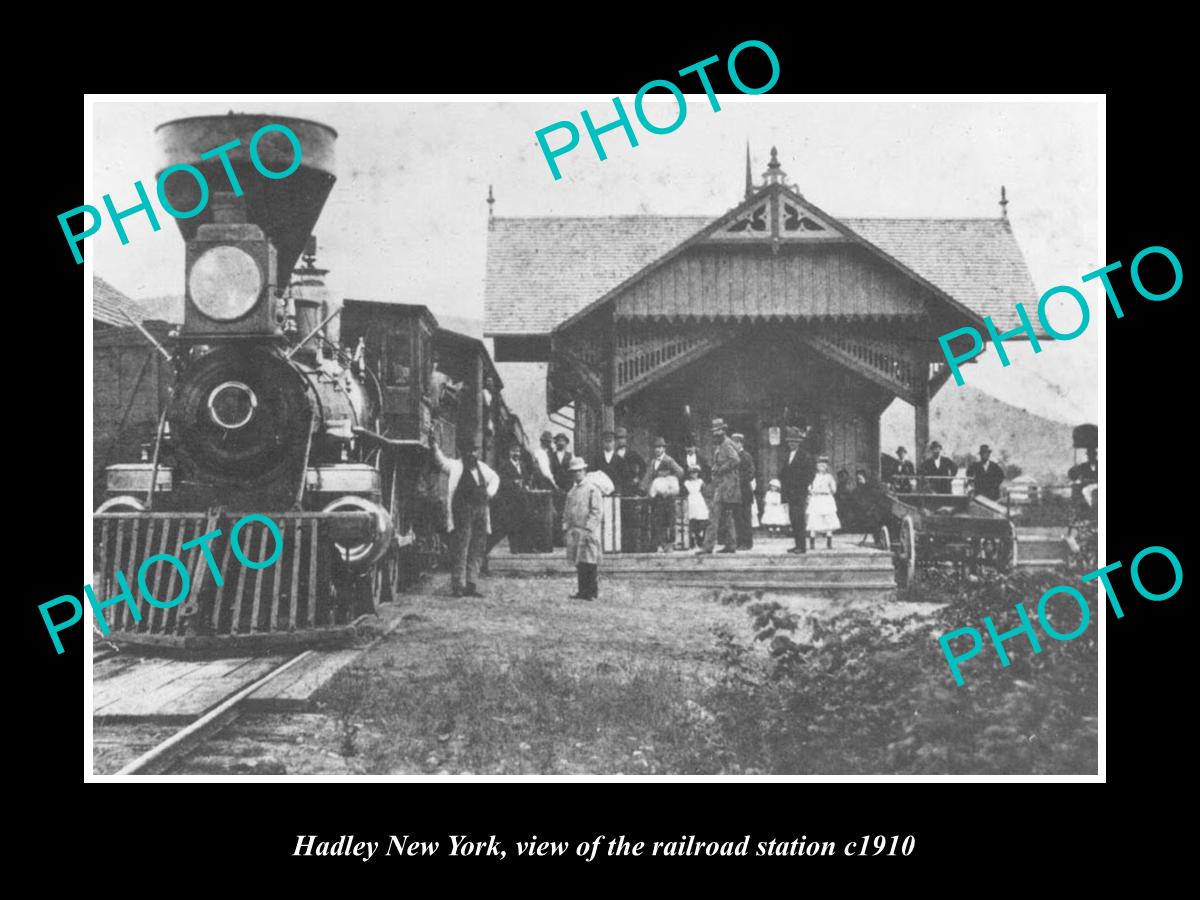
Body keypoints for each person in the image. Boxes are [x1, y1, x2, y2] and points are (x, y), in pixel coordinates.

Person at [429, 433, 499, 597]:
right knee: (461, 548)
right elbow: (440, 461)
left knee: (477, 548)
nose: (473, 454)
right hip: (463, 513)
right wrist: (434, 446)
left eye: (475, 451)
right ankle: (458, 586)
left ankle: (471, 584)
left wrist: (489, 492)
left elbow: (496, 478)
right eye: (469, 451)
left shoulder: (483, 468)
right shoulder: (455, 466)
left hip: (481, 512)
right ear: (463, 453)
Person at [697, 418, 741, 554]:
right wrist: (716, 467)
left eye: (718, 431)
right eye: (714, 431)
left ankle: (708, 547)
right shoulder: (720, 446)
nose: (716, 434)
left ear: (723, 431)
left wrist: (721, 468)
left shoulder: (727, 444)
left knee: (714, 516)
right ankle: (731, 545)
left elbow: (735, 460)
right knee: (726, 517)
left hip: (726, 486)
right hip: (722, 485)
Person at [563, 456, 603, 600]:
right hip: (575, 531)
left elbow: (596, 511)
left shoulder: (592, 489)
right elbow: (567, 511)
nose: (577, 474)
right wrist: (566, 526)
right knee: (579, 561)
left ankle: (592, 592)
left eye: (579, 471)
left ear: (584, 471)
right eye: (574, 471)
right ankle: (582, 591)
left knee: (590, 561)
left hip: (588, 531)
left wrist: (589, 528)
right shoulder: (572, 492)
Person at [643, 436, 684, 551]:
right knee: (658, 519)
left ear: (664, 449)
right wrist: (643, 488)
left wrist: (669, 480)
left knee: (669, 519)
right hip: (658, 496)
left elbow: (680, 472)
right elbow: (648, 476)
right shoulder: (653, 462)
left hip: (668, 496)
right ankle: (659, 544)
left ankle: (670, 543)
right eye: (656, 448)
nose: (658, 450)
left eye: (660, 447)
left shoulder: (669, 460)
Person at [488, 442, 529, 555]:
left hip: (520, 499)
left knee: (517, 523)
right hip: (508, 500)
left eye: (518, 451)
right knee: (507, 524)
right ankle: (508, 547)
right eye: (513, 451)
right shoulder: (504, 466)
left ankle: (515, 548)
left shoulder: (522, 465)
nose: (516, 454)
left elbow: (526, 478)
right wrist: (513, 483)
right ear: (509, 453)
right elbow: (500, 481)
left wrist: (525, 485)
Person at [780, 425, 815, 554]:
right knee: (793, 519)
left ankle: (802, 546)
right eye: (789, 442)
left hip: (799, 493)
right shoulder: (788, 455)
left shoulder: (804, 456)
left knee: (799, 519)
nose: (791, 444)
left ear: (798, 443)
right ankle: (797, 545)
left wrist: (801, 486)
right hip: (789, 492)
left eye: (794, 442)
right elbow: (784, 472)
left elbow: (810, 474)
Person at [807, 456, 841, 550]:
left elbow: (834, 489)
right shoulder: (813, 476)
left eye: (824, 465)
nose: (821, 467)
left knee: (828, 519)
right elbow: (809, 486)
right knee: (814, 519)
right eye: (819, 465)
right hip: (816, 499)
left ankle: (829, 542)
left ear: (826, 466)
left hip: (826, 499)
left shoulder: (829, 477)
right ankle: (812, 542)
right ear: (816, 466)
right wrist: (812, 491)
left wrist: (830, 491)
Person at [730, 433, 756, 550]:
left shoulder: (746, 456)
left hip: (744, 491)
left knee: (745, 518)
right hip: (735, 492)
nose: (733, 445)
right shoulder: (732, 456)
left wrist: (738, 480)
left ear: (740, 443)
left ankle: (747, 543)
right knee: (737, 518)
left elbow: (750, 473)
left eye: (735, 442)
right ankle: (739, 541)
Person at [590, 430, 628, 494]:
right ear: (602, 442)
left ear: (614, 443)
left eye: (610, 441)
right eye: (606, 441)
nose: (608, 444)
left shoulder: (620, 460)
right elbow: (592, 474)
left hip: (616, 491)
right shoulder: (597, 458)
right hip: (600, 491)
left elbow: (624, 477)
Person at [614, 426, 646, 496]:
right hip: (618, 485)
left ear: (626, 440)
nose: (621, 440)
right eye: (618, 438)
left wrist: (638, 478)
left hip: (631, 484)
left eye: (623, 438)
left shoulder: (632, 454)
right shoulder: (613, 455)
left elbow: (643, 465)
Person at [683, 465, 709, 548]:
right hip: (690, 500)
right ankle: (692, 538)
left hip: (699, 500)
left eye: (695, 473)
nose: (694, 475)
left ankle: (700, 537)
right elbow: (684, 492)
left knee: (701, 518)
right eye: (692, 473)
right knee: (691, 519)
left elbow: (705, 492)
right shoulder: (686, 483)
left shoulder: (700, 482)